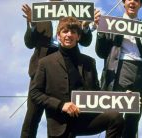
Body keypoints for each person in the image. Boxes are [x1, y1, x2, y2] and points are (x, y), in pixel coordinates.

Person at [29, 16, 124, 138]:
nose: (69, 35)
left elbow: (97, 93)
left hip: (85, 119)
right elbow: (35, 93)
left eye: (73, 32)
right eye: (65, 31)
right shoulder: (45, 63)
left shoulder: (89, 62)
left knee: (115, 117)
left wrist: (123, 98)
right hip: (60, 123)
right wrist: (61, 105)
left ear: (78, 37)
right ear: (58, 36)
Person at [21, 1, 96, 137]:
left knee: (67, 117)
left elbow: (85, 41)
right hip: (41, 68)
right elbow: (29, 43)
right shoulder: (39, 13)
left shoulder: (76, 13)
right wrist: (32, 24)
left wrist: (85, 27)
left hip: (68, 65)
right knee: (32, 118)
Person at [95, 0, 142, 137]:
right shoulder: (111, 23)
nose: (132, 2)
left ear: (141, 4)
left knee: (133, 120)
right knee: (114, 116)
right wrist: (100, 33)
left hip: (139, 75)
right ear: (123, 3)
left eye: (136, 0)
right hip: (117, 72)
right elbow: (101, 52)